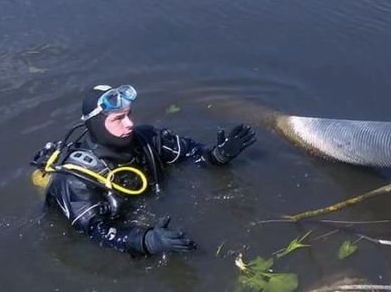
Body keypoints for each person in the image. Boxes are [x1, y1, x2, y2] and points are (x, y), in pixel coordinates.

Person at [33, 84, 256, 256]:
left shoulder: (147, 139)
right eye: (118, 119)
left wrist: (216, 156)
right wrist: (145, 242)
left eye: (129, 114)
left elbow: (192, 154)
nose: (129, 123)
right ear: (96, 124)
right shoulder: (74, 179)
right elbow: (95, 231)